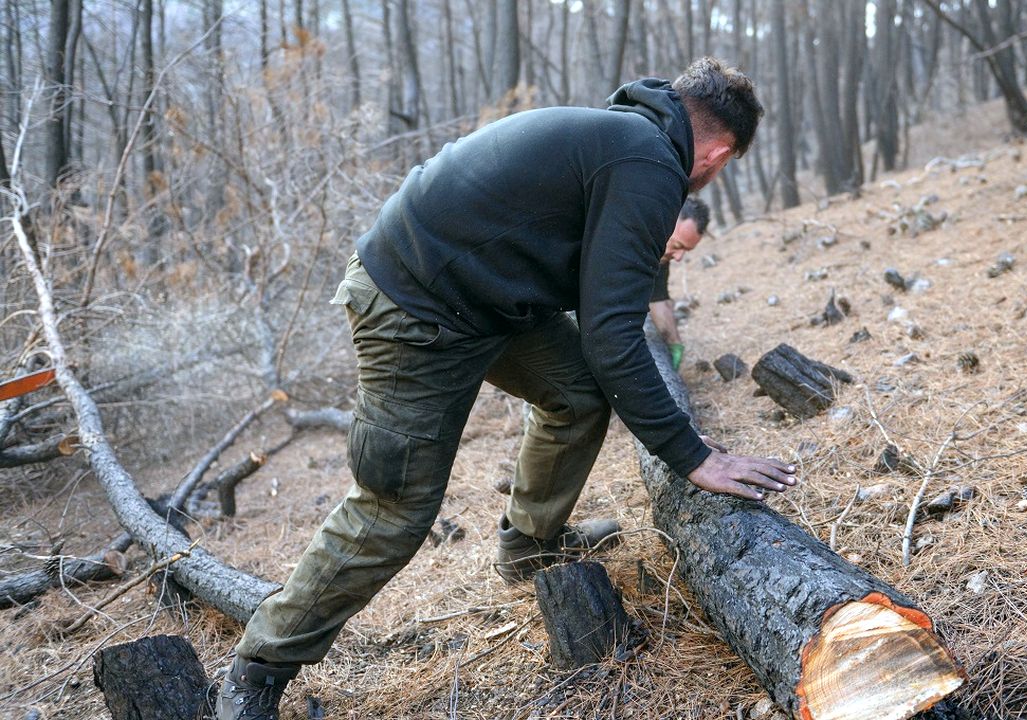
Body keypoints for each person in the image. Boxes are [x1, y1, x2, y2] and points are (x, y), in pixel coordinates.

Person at [216, 57, 795, 720]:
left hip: (481, 298)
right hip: (416, 305)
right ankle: (261, 665)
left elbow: (601, 299)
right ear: (718, 152)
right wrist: (694, 456)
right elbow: (611, 333)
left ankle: (529, 543)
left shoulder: (627, 138)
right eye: (721, 166)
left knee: (577, 393)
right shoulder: (647, 160)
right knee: (394, 507)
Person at [650, 197, 710, 370]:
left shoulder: (662, 254)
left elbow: (658, 299)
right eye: (677, 245)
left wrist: (674, 343)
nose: (679, 257)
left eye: (686, 250)